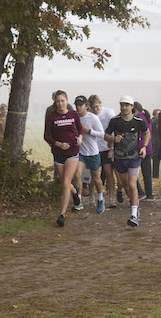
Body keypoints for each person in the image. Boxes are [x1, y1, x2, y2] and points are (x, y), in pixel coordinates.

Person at [104, 95, 150, 226]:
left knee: (131, 184)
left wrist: (144, 147)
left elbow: (147, 133)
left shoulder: (138, 121)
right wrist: (113, 139)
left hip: (134, 157)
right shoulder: (115, 121)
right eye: (122, 105)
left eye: (126, 105)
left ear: (131, 107)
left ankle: (133, 215)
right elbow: (106, 136)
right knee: (125, 186)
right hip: (119, 158)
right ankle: (135, 206)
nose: (124, 107)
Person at [43, 91, 82, 227]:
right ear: (55, 102)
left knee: (66, 182)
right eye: (58, 101)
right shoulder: (51, 116)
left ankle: (62, 215)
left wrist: (80, 138)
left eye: (62, 101)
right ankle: (75, 193)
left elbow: (80, 129)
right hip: (58, 153)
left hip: (72, 152)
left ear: (66, 101)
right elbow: (47, 136)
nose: (60, 103)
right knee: (63, 181)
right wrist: (58, 144)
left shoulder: (73, 114)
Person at [73, 95, 106, 213]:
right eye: (76, 105)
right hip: (80, 152)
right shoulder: (74, 117)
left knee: (96, 178)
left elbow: (102, 134)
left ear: (86, 105)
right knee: (78, 175)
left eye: (80, 105)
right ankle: (79, 201)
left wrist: (89, 131)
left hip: (93, 152)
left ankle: (101, 199)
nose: (78, 108)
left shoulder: (92, 118)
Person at [89, 94, 118, 208]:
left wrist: (112, 148)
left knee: (109, 173)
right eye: (93, 107)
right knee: (93, 175)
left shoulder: (109, 113)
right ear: (90, 107)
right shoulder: (89, 115)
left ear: (100, 104)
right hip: (94, 149)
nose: (96, 109)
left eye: (97, 106)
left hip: (106, 147)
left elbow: (114, 131)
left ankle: (111, 198)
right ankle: (91, 196)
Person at [133, 101, 154, 201]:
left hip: (139, 148)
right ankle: (149, 194)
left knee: (132, 172)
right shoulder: (147, 117)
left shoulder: (138, 119)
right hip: (148, 148)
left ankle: (140, 193)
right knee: (147, 173)